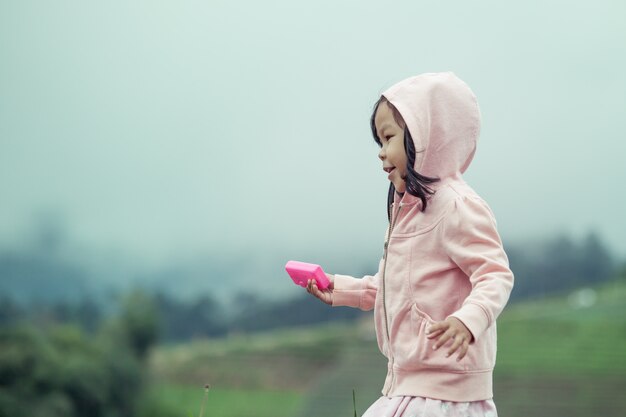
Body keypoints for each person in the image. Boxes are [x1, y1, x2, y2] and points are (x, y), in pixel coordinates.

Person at [306, 72, 514, 417]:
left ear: (425, 137)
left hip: (448, 396)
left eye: (388, 138)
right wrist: (338, 289)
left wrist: (467, 321)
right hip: (408, 386)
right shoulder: (409, 211)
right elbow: (397, 289)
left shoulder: (456, 206)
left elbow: (495, 274)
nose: (381, 152)